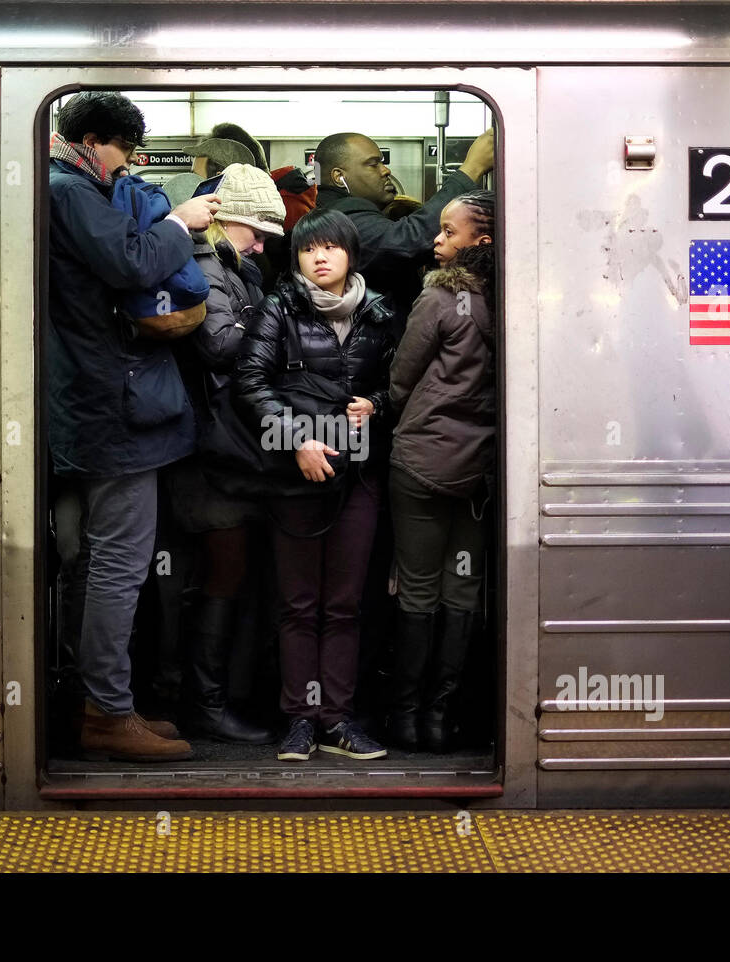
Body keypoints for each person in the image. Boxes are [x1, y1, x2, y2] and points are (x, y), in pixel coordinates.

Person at [47, 91, 221, 762]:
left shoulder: (68, 186)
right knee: (119, 564)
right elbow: (135, 264)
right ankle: (106, 713)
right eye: (120, 158)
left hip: (96, 402)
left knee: (94, 563)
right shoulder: (71, 191)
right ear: (95, 140)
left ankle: (100, 700)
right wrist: (177, 221)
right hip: (112, 406)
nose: (123, 173)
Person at [233, 208, 396, 762]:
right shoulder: (279, 308)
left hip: (360, 473)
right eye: (307, 250)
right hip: (296, 473)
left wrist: (377, 404)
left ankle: (339, 721)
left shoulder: (379, 313)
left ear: (351, 254)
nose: (319, 257)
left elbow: (401, 387)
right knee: (299, 602)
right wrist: (297, 438)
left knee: (346, 604)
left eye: (330, 247)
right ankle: (301, 720)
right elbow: (249, 383)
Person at [169, 164, 287, 743]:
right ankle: (206, 705)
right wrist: (277, 328)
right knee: (223, 573)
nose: (263, 245)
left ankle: (216, 697)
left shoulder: (231, 265)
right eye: (257, 231)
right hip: (211, 450)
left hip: (224, 446)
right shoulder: (201, 263)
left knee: (228, 575)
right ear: (225, 219)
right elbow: (218, 346)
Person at [385, 191, 497, 752]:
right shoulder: (509, 303)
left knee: (418, 589)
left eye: (449, 232)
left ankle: (404, 720)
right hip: (478, 471)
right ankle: (440, 718)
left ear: (480, 242)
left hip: (423, 462)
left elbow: (403, 378)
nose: (437, 239)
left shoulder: (440, 297)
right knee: (464, 589)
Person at [313, 129, 494, 332]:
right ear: (339, 177)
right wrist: (472, 168)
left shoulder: (350, 215)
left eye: (383, 163)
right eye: (373, 164)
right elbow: (406, 241)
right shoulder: (340, 220)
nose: (385, 171)